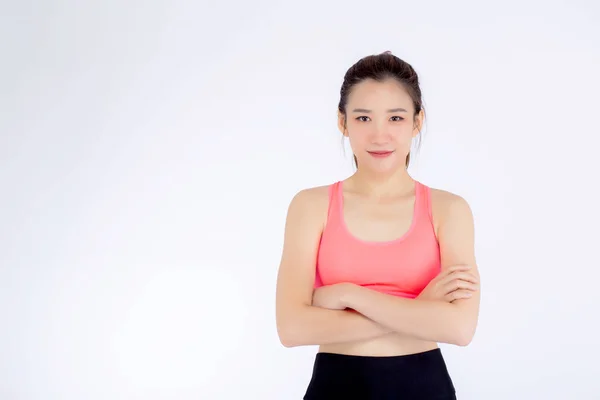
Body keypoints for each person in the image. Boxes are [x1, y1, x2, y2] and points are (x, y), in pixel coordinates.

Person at [275, 51, 481, 399]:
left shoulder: (449, 210)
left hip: (423, 387)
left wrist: (347, 295)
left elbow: (460, 328)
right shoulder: (310, 207)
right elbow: (292, 328)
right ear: (343, 123)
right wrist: (417, 311)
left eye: (396, 118)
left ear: (417, 122)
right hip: (336, 387)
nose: (380, 135)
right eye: (363, 118)